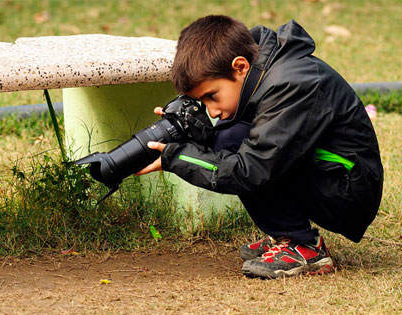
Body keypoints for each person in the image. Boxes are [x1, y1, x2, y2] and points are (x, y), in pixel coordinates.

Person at [136, 15, 383, 278]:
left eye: (211, 96)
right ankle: (286, 235)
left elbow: (252, 169)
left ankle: (304, 246)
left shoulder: (291, 83)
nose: (213, 110)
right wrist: (197, 134)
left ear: (240, 66)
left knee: (236, 147)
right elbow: (256, 136)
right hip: (329, 173)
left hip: (347, 189)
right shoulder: (266, 69)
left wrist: (179, 158)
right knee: (228, 137)